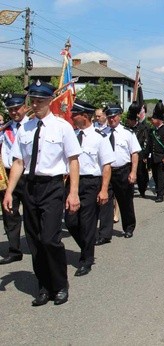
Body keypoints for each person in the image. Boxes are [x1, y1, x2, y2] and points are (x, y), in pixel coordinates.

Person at [3, 80, 82, 306]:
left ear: (50, 101)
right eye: (33, 100)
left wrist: (73, 193)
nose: (35, 105)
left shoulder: (62, 127)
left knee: (50, 239)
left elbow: (73, 161)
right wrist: (9, 192)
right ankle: (44, 286)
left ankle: (59, 284)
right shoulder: (25, 129)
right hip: (30, 187)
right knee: (35, 240)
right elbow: (18, 162)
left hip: (53, 187)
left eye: (40, 101)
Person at [65, 99, 114, 277]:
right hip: (71, 182)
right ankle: (86, 247)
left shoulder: (99, 138)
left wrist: (103, 190)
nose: (71, 116)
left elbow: (106, 166)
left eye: (74, 114)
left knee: (87, 223)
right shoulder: (70, 135)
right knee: (70, 221)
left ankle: (87, 259)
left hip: (90, 183)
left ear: (84, 116)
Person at [104, 104, 141, 239]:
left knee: (125, 202)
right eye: (109, 117)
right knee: (106, 203)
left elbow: (134, 153)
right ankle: (105, 233)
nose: (111, 119)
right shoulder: (103, 134)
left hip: (123, 171)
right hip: (107, 172)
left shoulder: (128, 133)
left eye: (113, 116)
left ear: (119, 116)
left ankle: (128, 227)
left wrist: (133, 172)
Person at [0, 93, 29, 265]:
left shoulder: (32, 127)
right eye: (11, 109)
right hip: (8, 175)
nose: (14, 112)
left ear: (25, 107)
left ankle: (37, 246)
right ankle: (14, 250)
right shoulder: (6, 128)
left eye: (17, 108)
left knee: (33, 213)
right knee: (10, 213)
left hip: (26, 176)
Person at [144, 101, 164, 203]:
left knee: (160, 177)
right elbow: (150, 144)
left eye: (154, 118)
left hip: (161, 158)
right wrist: (145, 155)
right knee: (155, 176)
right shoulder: (152, 131)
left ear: (159, 120)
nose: (152, 120)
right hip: (153, 158)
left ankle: (160, 195)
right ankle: (160, 191)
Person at [126, 101, 150, 198]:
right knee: (129, 174)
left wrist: (145, 155)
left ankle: (142, 190)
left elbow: (146, 142)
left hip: (140, 155)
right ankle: (130, 191)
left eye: (129, 120)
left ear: (134, 120)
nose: (128, 122)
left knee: (141, 175)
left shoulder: (143, 128)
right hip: (128, 155)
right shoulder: (126, 128)